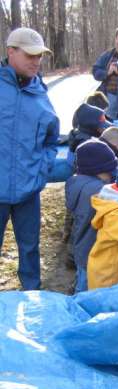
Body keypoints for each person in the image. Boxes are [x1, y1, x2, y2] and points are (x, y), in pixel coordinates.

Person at [0, 27, 59, 290]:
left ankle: (33, 298)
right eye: (30, 55)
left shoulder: (41, 94)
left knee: (30, 249)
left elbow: (51, 139)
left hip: (28, 191)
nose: (36, 61)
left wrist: (42, 169)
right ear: (11, 52)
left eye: (40, 56)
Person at [65, 139, 118, 292]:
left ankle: (76, 290)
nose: (111, 175)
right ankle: (79, 303)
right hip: (93, 249)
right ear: (98, 170)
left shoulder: (75, 182)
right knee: (87, 286)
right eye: (109, 171)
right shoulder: (99, 192)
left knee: (82, 273)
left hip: (81, 245)